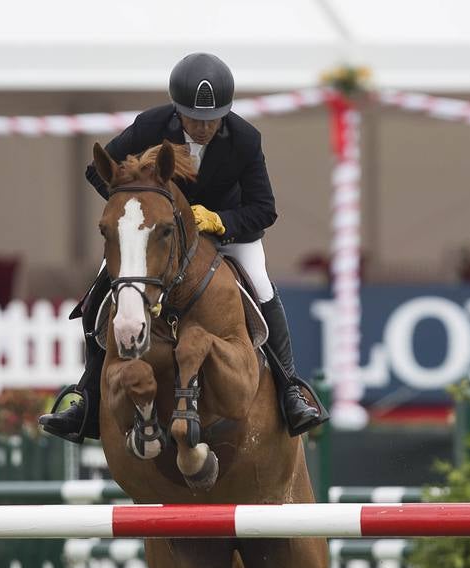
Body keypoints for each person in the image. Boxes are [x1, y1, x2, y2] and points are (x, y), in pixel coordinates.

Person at [39, 52, 327, 443]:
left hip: (224, 235)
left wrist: (219, 220)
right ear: (178, 111)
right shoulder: (152, 125)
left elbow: (264, 209)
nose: (204, 127)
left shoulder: (244, 139)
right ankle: (88, 399)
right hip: (159, 235)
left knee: (261, 286)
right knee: (101, 292)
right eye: (195, 119)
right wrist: (143, 206)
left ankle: (290, 388)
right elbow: (98, 171)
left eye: (212, 119)